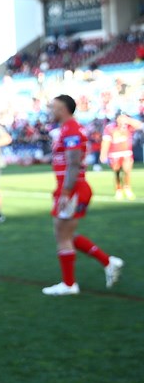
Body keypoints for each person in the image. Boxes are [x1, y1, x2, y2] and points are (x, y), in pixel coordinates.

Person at [42, 95, 124, 296]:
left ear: (63, 109)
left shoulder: (71, 129)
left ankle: (69, 284)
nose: (50, 111)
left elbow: (73, 162)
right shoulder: (68, 129)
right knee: (65, 234)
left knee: (62, 235)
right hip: (71, 188)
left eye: (53, 107)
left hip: (73, 189)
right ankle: (108, 262)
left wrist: (67, 192)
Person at [100, 113, 143, 200]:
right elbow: (106, 141)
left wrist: (129, 120)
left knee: (127, 171)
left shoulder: (129, 126)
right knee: (117, 172)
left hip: (126, 152)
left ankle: (127, 188)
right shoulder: (110, 128)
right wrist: (103, 154)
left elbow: (140, 125)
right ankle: (118, 189)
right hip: (114, 153)